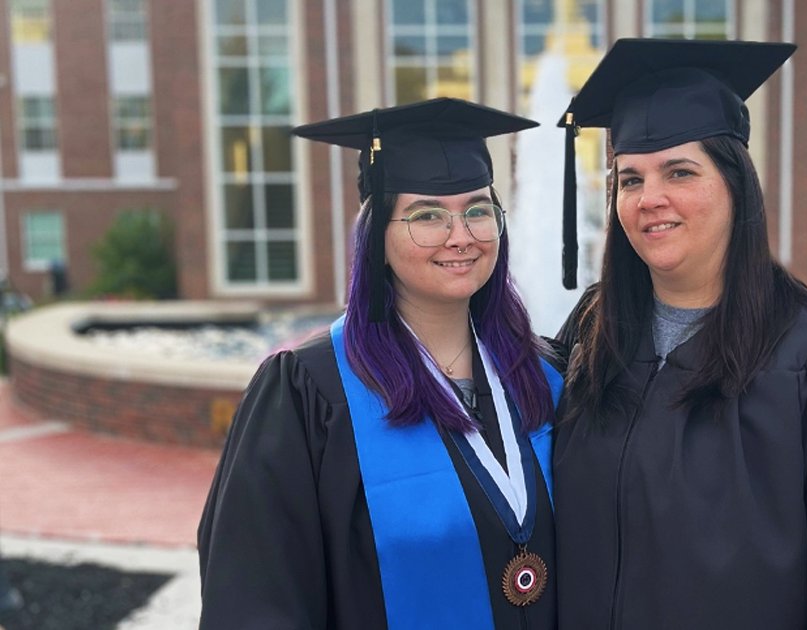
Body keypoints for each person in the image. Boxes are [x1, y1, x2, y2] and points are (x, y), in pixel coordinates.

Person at [552, 39, 807, 629]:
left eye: (680, 171)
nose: (651, 199)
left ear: (734, 183)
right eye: (630, 179)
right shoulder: (593, 336)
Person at [198, 98, 563, 629]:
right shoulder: (311, 394)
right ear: (378, 237)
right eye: (427, 216)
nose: (460, 236)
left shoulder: (546, 375)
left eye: (478, 210)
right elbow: (256, 594)